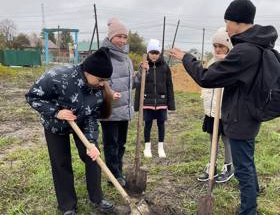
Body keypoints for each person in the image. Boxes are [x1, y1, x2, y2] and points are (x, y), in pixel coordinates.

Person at [169, 0, 279, 215]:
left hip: (240, 116)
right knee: (247, 158)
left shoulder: (245, 51)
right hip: (249, 112)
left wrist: (186, 58)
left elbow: (206, 77)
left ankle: (248, 210)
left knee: (243, 167)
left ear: (239, 22)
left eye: (228, 22)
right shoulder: (258, 45)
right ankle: (254, 193)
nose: (226, 28)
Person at [25, 48, 114, 215]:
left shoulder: (98, 89)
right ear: (88, 72)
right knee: (61, 163)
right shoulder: (57, 76)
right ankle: (67, 206)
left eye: (106, 80)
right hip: (55, 125)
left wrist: (92, 142)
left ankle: (97, 198)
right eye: (101, 79)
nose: (103, 84)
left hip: (81, 123)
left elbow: (92, 117)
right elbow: (32, 97)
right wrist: (56, 112)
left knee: (93, 156)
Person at [100, 18, 148, 187]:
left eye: (124, 37)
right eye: (118, 36)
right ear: (111, 37)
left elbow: (131, 84)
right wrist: (108, 91)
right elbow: (95, 82)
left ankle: (117, 171)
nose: (121, 40)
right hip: (110, 110)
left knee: (121, 143)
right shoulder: (103, 56)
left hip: (124, 110)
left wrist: (141, 73)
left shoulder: (127, 59)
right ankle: (113, 175)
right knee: (110, 144)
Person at [197, 28, 234, 184]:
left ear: (228, 47)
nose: (218, 49)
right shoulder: (212, 62)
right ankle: (211, 165)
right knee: (213, 139)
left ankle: (229, 166)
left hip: (225, 111)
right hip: (211, 110)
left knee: (226, 139)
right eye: (215, 46)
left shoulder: (232, 63)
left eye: (221, 46)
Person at [134, 39, 175, 158]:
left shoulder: (165, 67)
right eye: (151, 52)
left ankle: (161, 147)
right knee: (148, 124)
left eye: (156, 53)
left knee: (161, 124)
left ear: (160, 53)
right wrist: (137, 105)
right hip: (147, 102)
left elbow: (169, 85)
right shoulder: (144, 66)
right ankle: (147, 147)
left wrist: (171, 104)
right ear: (147, 53)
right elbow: (138, 86)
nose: (154, 55)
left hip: (161, 101)